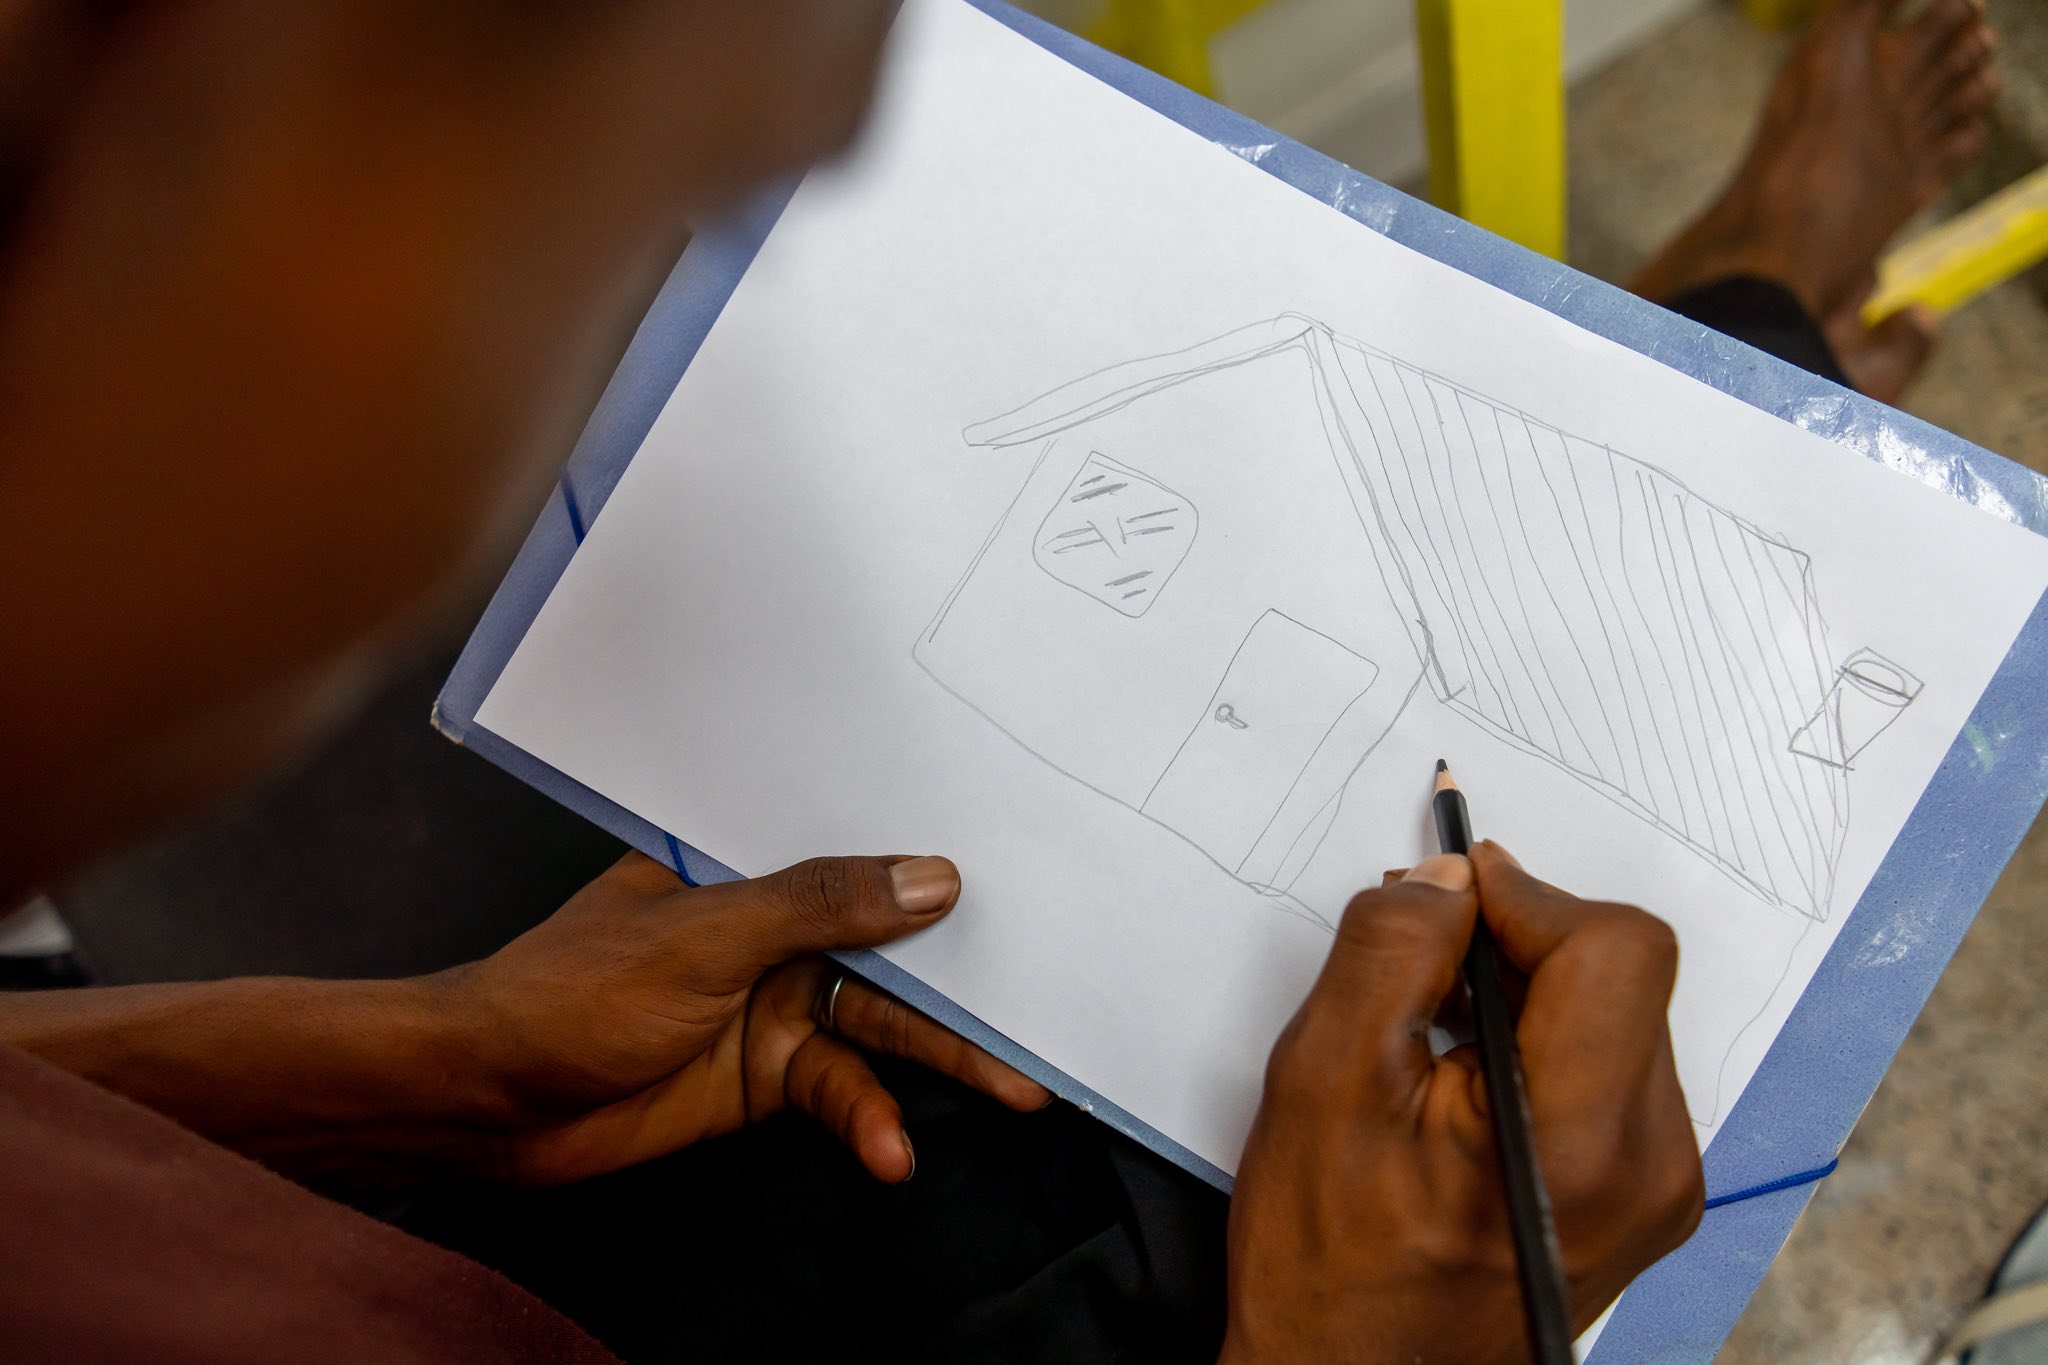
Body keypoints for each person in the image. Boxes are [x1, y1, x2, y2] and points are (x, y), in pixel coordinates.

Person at [0, 0, 1992, 1359]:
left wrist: (418, 1065)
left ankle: (1747, 320)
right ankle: (1752, 322)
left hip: (448, 1184)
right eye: (646, 200)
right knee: (1191, 1170)